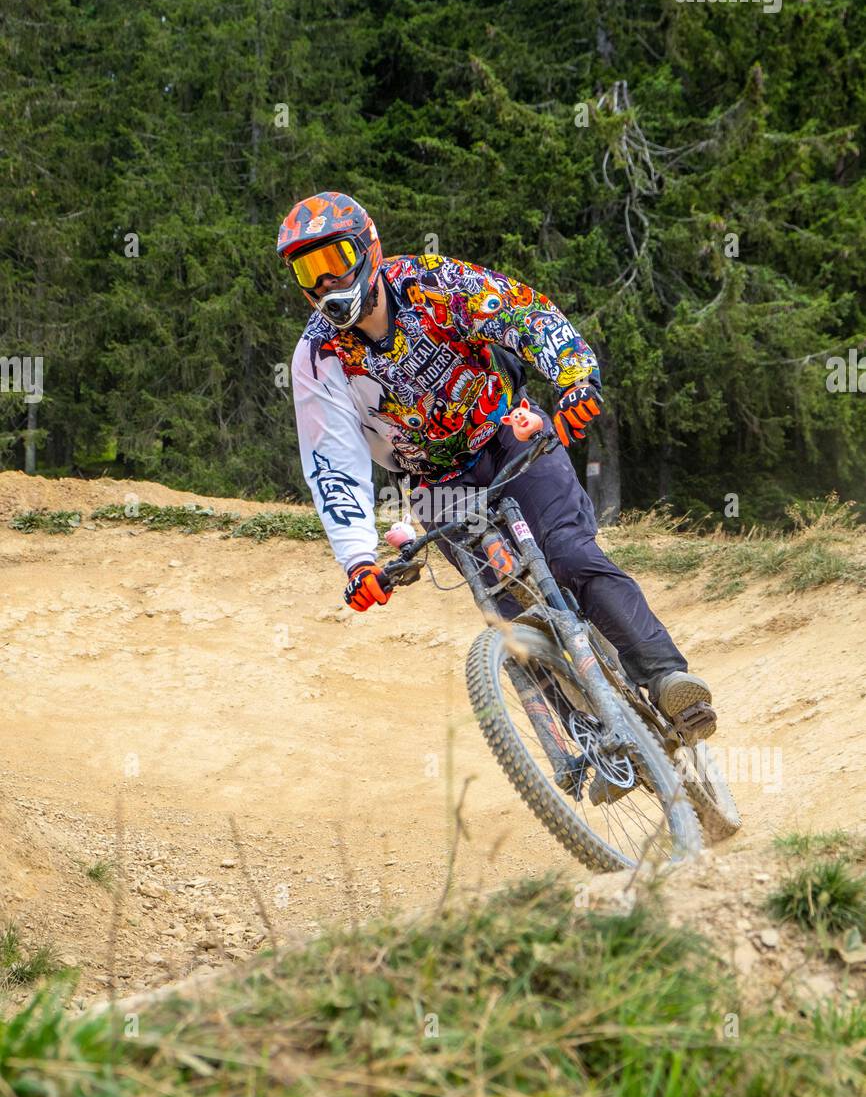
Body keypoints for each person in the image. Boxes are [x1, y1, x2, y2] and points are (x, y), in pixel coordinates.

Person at [281, 190, 716, 740]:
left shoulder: (431, 282)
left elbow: (523, 313)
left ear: (369, 247)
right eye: (307, 269)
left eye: (333, 261)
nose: (324, 283)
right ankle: (584, 742)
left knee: (567, 553)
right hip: (434, 481)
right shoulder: (318, 357)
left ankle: (667, 679)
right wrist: (358, 559)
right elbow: (331, 462)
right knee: (509, 608)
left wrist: (575, 377)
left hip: (510, 435)